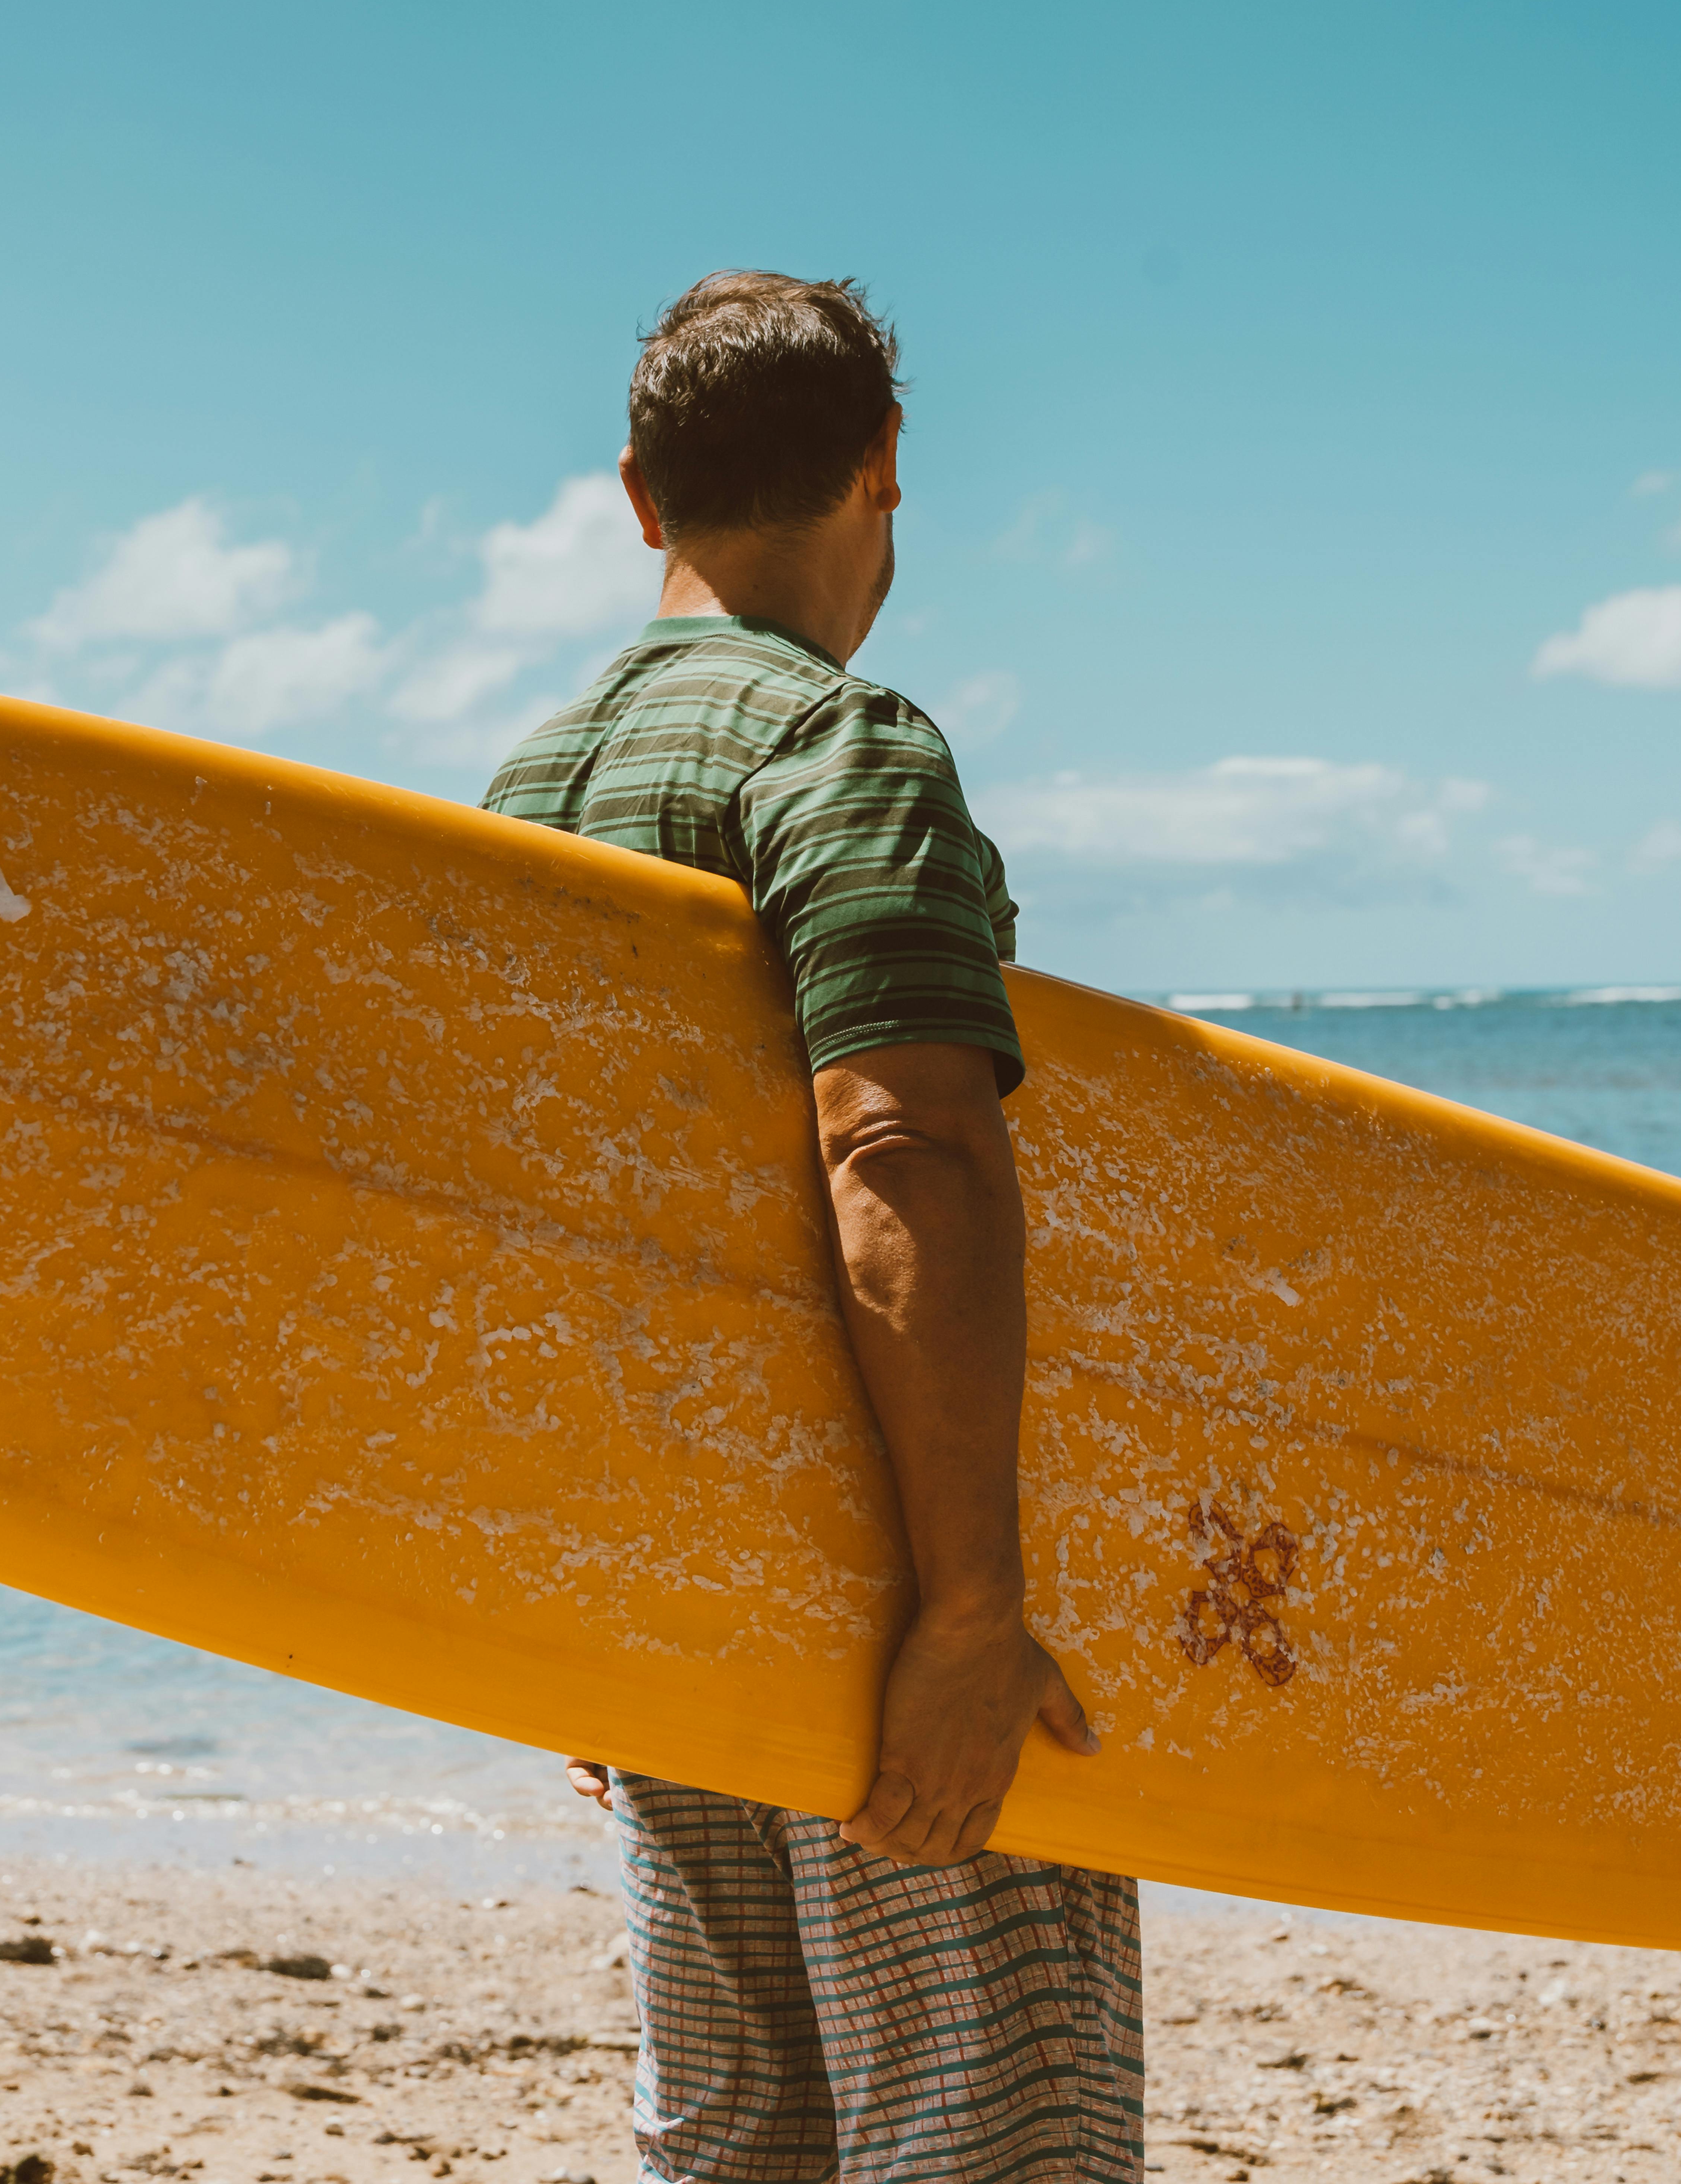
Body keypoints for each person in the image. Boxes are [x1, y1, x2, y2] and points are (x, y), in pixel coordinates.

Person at [481, 272, 1143, 2184]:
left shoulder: (530, 794)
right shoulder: (839, 751)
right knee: (990, 2146)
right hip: (878, 1576)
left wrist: (556, 1623)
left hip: (674, 1594)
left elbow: (521, 1237)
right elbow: (903, 1152)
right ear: (884, 466)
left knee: (738, 2154)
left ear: (636, 495)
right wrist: (969, 1612)